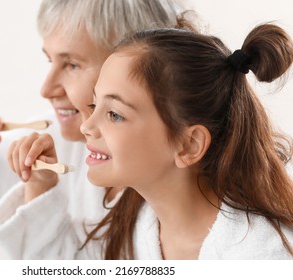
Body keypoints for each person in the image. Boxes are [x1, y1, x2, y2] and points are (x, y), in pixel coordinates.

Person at [0, 0, 183, 257]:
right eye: (50, 61)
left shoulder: (175, 184)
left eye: (71, 65)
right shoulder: (54, 139)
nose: (46, 90)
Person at [79, 23, 293, 259]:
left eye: (114, 114)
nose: (86, 126)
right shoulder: (133, 225)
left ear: (189, 145)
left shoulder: (264, 257)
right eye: (94, 104)